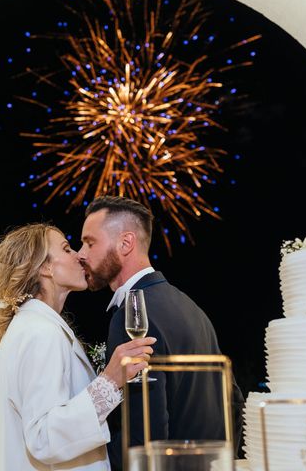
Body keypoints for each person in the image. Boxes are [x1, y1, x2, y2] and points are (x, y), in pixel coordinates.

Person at [78, 196, 245, 469]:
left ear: (125, 243)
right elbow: (233, 402)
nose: (81, 253)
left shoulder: (132, 318)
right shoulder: (192, 310)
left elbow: (144, 433)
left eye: (90, 242)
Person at [0, 223, 156, 471]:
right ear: (45, 267)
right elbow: (43, 438)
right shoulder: (40, 333)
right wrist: (109, 382)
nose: (79, 255)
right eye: (67, 249)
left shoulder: (32, 326)